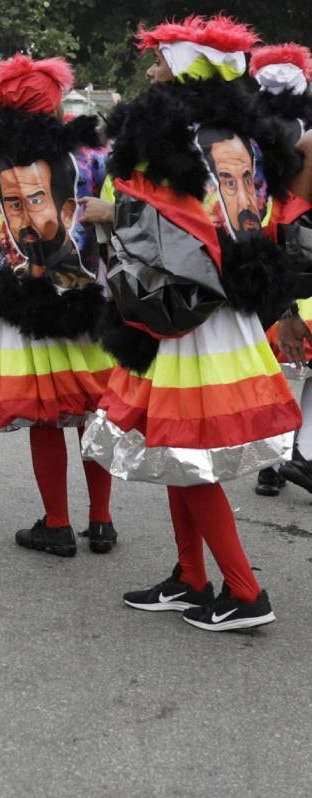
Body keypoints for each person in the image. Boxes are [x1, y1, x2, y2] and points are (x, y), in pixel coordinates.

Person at [82, 15, 304, 631]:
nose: (151, 68)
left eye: (158, 59)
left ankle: (245, 592)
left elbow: (167, 223)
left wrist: (109, 209)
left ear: (184, 68)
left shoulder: (172, 137)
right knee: (179, 451)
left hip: (184, 315)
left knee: (188, 450)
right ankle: (190, 577)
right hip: (223, 310)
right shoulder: (242, 136)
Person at [0, 54, 117, 557]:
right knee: (92, 411)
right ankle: (101, 521)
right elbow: (126, 216)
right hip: (87, 304)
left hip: (21, 311)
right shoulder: (89, 156)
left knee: (45, 418)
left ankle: (56, 524)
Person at [249, 43, 312, 496]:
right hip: (290, 255)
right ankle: (296, 456)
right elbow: (293, 213)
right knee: (296, 365)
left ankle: (277, 462)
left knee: (275, 367)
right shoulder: (305, 133)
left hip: (265, 254)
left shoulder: (243, 128)